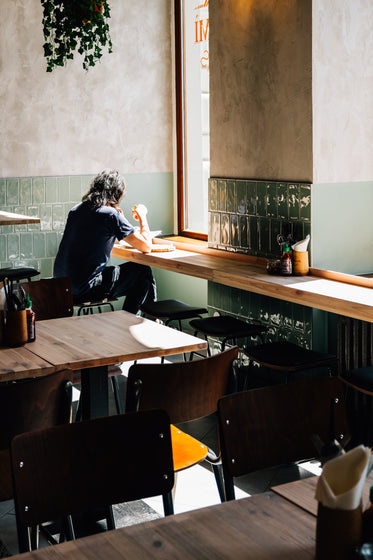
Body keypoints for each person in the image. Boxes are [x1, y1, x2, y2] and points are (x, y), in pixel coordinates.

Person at [53, 169, 156, 314]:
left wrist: (119, 223)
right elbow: (146, 246)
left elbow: (96, 241)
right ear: (117, 194)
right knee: (142, 272)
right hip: (86, 289)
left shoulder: (76, 210)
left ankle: (136, 322)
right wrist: (142, 215)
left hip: (62, 287)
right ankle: (136, 322)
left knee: (138, 274)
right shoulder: (111, 215)